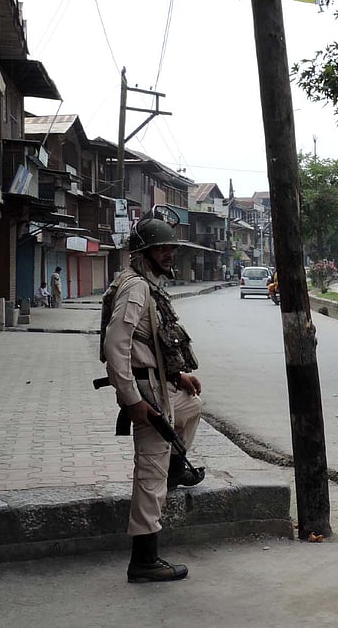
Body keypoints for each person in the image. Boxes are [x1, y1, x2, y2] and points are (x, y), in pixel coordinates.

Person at [101, 215, 203, 583]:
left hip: (161, 385)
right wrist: (131, 399)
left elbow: (150, 341)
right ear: (142, 252)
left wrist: (178, 376)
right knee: (149, 477)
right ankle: (144, 560)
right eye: (161, 248)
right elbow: (117, 345)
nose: (169, 254)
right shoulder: (136, 289)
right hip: (146, 393)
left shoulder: (148, 285)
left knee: (192, 406)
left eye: (172, 248)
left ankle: (176, 468)